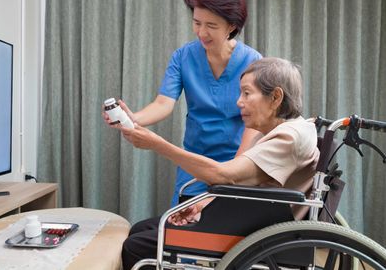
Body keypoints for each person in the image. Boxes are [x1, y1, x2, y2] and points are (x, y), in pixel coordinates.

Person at [119, 57, 320, 270]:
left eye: (247, 93)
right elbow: (241, 184)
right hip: (250, 218)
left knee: (136, 246)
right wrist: (201, 206)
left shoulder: (288, 137)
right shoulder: (277, 131)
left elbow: (225, 176)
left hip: (254, 232)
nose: (239, 102)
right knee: (141, 229)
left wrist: (158, 144)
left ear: (276, 97)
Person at [104, 0, 262, 206]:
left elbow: (255, 124)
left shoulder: (253, 63)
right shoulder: (183, 57)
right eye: (197, 23)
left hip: (236, 167)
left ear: (232, 26)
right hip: (193, 165)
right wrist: (133, 119)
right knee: (179, 232)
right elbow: (163, 104)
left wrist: (233, 172)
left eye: (211, 26)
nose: (201, 32)